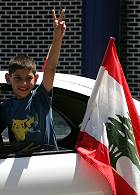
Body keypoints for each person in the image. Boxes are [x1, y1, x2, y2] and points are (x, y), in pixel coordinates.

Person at [0, 9, 66, 151]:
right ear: (8, 78)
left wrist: (57, 38)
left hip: (49, 165)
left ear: (35, 79)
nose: (24, 83)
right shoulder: (5, 108)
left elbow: (51, 69)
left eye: (28, 78)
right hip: (19, 166)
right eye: (18, 78)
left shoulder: (40, 98)